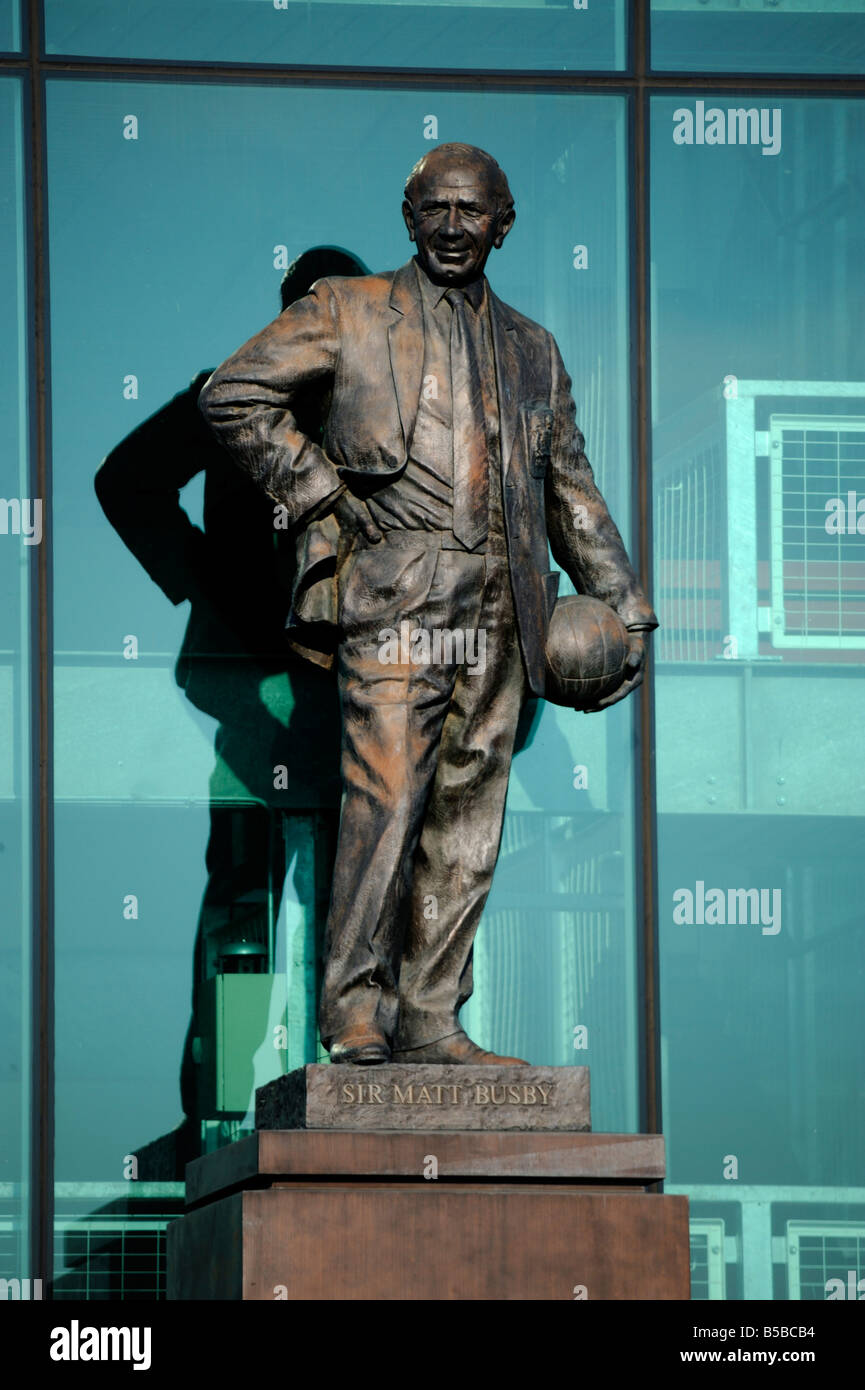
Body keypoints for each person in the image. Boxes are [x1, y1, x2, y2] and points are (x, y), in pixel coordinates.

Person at [198, 144, 658, 1067]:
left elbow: (569, 484)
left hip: (503, 603)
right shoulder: (348, 310)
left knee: (467, 821)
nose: (454, 227)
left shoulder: (533, 347)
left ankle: (433, 1020)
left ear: (504, 223)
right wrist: (319, 491)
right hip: (396, 594)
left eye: (472, 211)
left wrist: (622, 599)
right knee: (385, 803)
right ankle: (356, 1016)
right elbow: (232, 394)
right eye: (436, 210)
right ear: (409, 219)